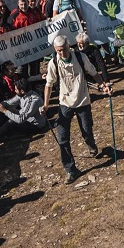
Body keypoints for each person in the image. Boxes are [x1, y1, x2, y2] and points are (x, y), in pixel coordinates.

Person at [43, 37, 110, 184]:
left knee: (87, 131)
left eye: (63, 49)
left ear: (69, 46)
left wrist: (103, 85)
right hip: (64, 103)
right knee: (63, 138)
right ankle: (71, 169)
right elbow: (48, 84)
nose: (61, 53)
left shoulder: (80, 57)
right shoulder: (53, 63)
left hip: (83, 100)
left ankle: (91, 145)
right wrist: (46, 105)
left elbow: (93, 72)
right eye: (58, 51)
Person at [0, 78, 47, 144]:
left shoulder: (33, 101)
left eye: (16, 90)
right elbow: (10, 102)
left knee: (11, 122)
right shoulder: (23, 94)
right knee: (3, 111)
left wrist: (4, 110)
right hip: (24, 117)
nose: (15, 91)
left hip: (35, 125)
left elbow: (20, 119)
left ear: (22, 91)